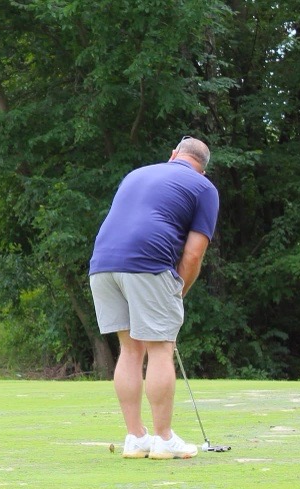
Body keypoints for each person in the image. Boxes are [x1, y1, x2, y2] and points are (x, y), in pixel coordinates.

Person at [89, 136, 219, 459]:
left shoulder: (136, 174)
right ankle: (163, 439)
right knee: (161, 348)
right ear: (203, 169)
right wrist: (178, 291)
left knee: (130, 349)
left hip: (102, 264)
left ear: (173, 154)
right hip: (147, 263)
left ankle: (135, 438)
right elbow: (192, 256)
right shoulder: (205, 189)